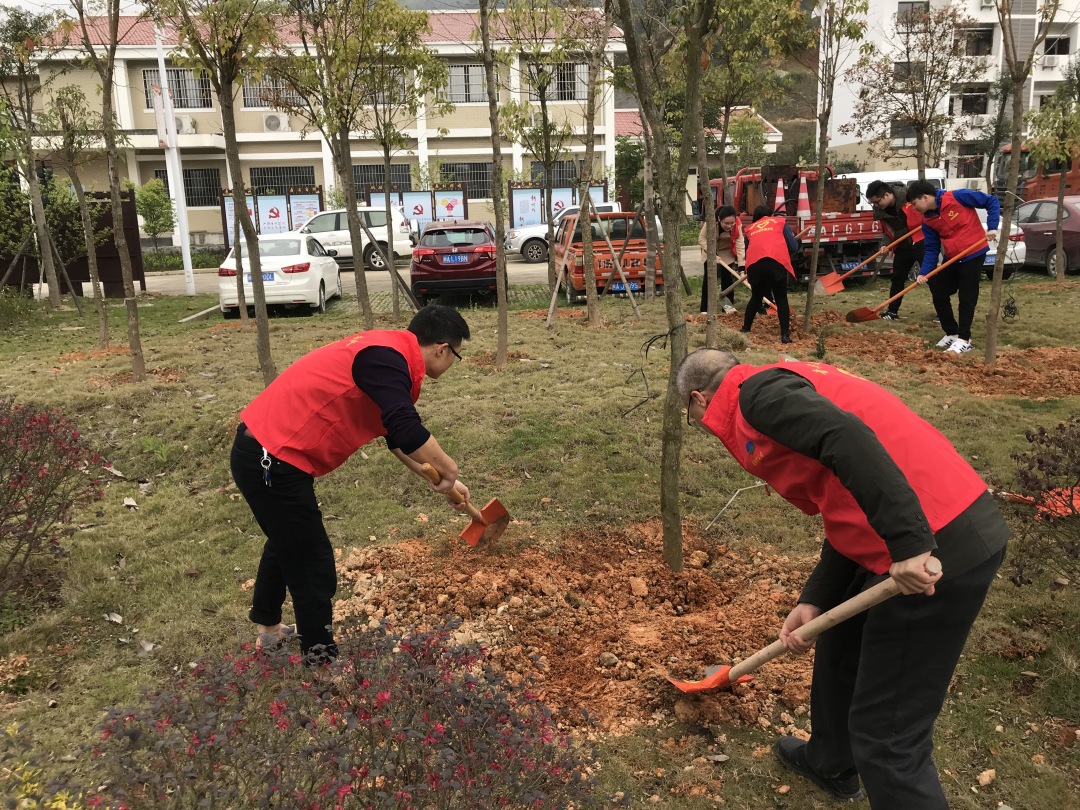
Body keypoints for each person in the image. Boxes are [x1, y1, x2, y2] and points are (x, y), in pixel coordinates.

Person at [677, 349, 1008, 809]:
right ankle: (831, 761)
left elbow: (847, 436)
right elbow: (843, 495)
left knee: (887, 735)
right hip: (915, 528)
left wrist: (911, 544)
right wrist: (818, 598)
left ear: (698, 399)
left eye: (693, 416)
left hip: (937, 548)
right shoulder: (777, 383)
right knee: (839, 640)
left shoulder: (758, 399)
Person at [230, 305, 473, 664]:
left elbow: (394, 437)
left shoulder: (386, 353)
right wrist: (449, 467)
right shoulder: (385, 359)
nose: (453, 362)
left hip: (266, 450)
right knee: (311, 562)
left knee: (287, 539)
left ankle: (268, 633)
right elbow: (406, 427)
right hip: (272, 457)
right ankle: (322, 665)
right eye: (457, 355)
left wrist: (441, 480)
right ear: (442, 348)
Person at [906, 180, 1000, 354]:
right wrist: (924, 272)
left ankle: (964, 339)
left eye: (914, 203)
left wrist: (992, 227)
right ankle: (951, 332)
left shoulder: (957, 197)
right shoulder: (928, 221)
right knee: (939, 292)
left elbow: (991, 201)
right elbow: (932, 248)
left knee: (967, 297)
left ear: (925, 197)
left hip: (973, 253)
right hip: (952, 257)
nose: (914, 208)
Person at [864, 179, 925, 321]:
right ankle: (892, 312)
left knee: (932, 277)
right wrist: (885, 244)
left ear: (887, 195)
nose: (876, 205)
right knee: (897, 279)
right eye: (873, 203)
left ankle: (941, 314)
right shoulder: (880, 210)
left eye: (877, 202)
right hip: (902, 246)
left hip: (922, 241)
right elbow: (887, 230)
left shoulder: (909, 198)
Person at [741, 205, 799, 343]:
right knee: (781, 299)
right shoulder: (779, 222)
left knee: (756, 297)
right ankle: (785, 335)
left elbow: (748, 249)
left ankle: (745, 329)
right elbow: (793, 247)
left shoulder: (750, 229)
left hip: (755, 264)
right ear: (771, 214)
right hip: (775, 262)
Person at [698, 204, 746, 316]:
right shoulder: (711, 221)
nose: (729, 226)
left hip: (726, 252)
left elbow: (740, 246)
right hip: (710, 250)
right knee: (709, 280)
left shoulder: (737, 226)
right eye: (726, 223)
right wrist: (712, 254)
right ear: (719, 219)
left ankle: (728, 308)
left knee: (727, 280)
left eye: (731, 223)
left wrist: (742, 268)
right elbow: (702, 239)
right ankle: (705, 309)